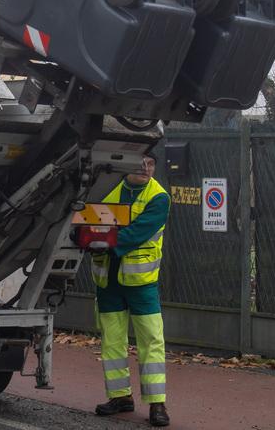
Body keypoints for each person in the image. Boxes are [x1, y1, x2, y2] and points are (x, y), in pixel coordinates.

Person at [91, 154, 171, 427]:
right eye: (140, 162)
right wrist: (88, 235)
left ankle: (157, 403)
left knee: (151, 341)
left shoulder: (159, 197)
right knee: (112, 341)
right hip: (107, 280)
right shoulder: (108, 188)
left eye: (150, 163)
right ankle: (120, 397)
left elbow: (138, 232)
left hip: (142, 283)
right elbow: (89, 218)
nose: (145, 168)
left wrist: (101, 241)